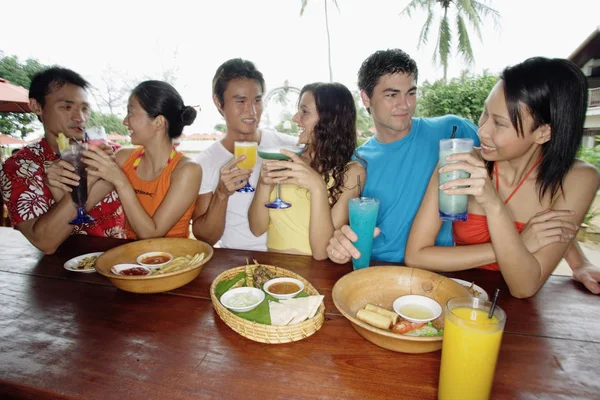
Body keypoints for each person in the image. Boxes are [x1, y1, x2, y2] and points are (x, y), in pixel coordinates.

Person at [404, 57, 600, 298]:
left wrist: (493, 204)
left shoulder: (577, 179)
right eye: (485, 113)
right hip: (460, 296)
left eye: (499, 123)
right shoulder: (461, 161)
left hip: (518, 313)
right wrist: (520, 243)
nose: (482, 131)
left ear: (543, 132)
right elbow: (416, 255)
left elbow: (524, 287)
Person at [326, 49, 480, 265]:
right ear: (366, 98)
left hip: (442, 267)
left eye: (411, 93)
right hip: (379, 269)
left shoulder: (453, 130)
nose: (405, 104)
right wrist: (340, 245)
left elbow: (505, 162)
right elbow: (341, 230)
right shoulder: (358, 163)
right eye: (392, 95)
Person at [0, 67, 124, 254]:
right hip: (59, 275)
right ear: (36, 106)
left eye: (84, 108)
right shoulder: (21, 166)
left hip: (123, 263)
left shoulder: (112, 153)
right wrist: (89, 178)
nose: (80, 118)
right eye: (67, 107)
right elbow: (45, 242)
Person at [248, 82, 365, 259]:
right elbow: (257, 229)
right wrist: (264, 185)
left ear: (331, 119)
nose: (295, 118)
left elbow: (322, 252)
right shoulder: (284, 159)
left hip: (316, 274)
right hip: (273, 271)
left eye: (305, 112)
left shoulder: (352, 172)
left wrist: (317, 187)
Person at [192, 58, 297, 251]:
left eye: (257, 100)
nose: (251, 111)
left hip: (289, 255)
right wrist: (221, 194)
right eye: (240, 101)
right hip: (236, 259)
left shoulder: (287, 146)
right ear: (218, 101)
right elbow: (205, 238)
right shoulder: (204, 162)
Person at [83, 80, 201, 239]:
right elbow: (83, 207)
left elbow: (152, 234)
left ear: (158, 122)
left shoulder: (187, 170)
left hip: (173, 259)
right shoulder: (124, 158)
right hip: (131, 257)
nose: (125, 121)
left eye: (130, 112)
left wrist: (121, 181)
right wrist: (90, 175)